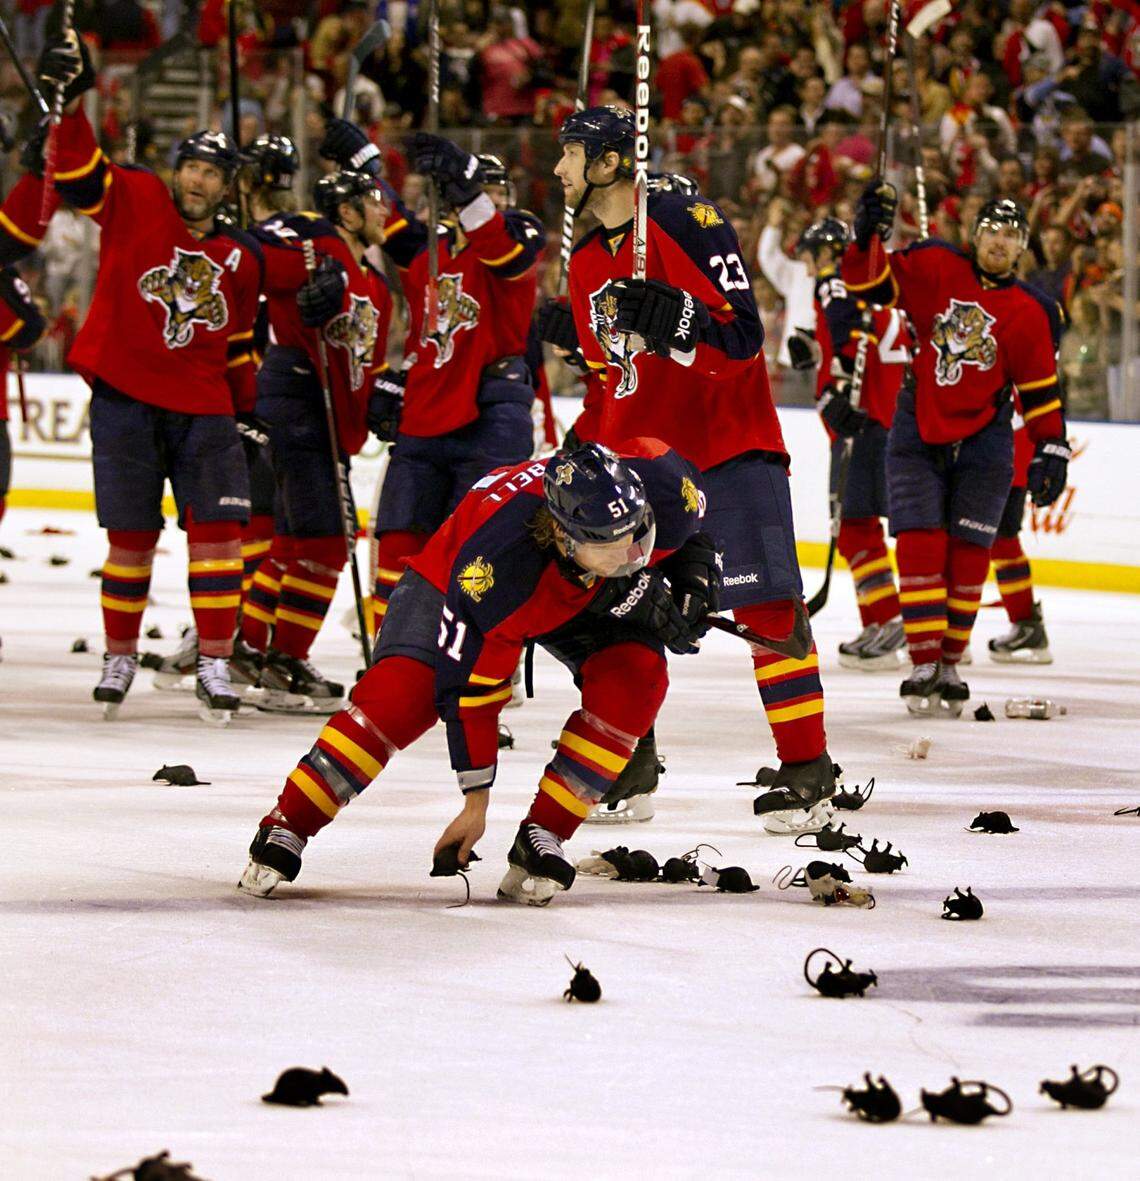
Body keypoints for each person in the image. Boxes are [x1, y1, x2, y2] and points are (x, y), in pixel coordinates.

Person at [238, 440, 716, 905]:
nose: (632, 555)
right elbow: (473, 694)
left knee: (638, 678)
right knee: (397, 699)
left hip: (580, 592)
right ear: (564, 537)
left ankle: (545, 833)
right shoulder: (493, 573)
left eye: (639, 535)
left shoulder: (658, 482)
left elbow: (696, 530)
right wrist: (476, 804)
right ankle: (289, 823)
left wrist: (695, 577)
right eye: (611, 547)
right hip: (451, 585)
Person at [538, 105, 837, 829]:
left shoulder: (681, 215)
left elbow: (739, 338)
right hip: (640, 464)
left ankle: (807, 769)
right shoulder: (582, 261)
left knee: (769, 607)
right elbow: (616, 379)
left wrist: (679, 319)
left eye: (571, 155)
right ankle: (630, 764)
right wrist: (584, 442)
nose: (558, 170)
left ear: (608, 163)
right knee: (615, 615)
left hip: (727, 445)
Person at [39, 33, 263, 723]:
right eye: (191, 168)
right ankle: (121, 653)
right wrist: (72, 100)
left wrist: (250, 413)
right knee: (130, 538)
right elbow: (76, 170)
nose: (197, 180)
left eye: (211, 174)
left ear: (227, 188)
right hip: (127, 400)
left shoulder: (240, 257)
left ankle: (217, 662)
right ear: (176, 171)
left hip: (205, 411)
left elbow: (239, 352)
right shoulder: (134, 196)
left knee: (219, 537)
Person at [843, 187, 1069, 714]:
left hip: (987, 438)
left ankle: (949, 660)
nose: (999, 241)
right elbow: (867, 282)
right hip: (916, 424)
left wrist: (1051, 445)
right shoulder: (934, 263)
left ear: (1022, 247)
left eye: (1011, 234)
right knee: (920, 542)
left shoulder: (1034, 310)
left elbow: (1039, 392)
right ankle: (923, 660)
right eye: (992, 229)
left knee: (970, 554)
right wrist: (867, 236)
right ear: (975, 234)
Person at [318, 119, 543, 637]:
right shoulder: (429, 253)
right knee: (398, 541)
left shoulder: (515, 236)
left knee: (480, 550)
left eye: (492, 190)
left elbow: (504, 251)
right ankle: (394, 659)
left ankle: (481, 668)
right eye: (473, 190)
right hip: (424, 417)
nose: (487, 200)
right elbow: (388, 219)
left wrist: (466, 187)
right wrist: (367, 163)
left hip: (490, 416)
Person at [234, 156, 393, 711]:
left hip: (327, 419)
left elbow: (365, 363)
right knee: (327, 545)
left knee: (293, 544)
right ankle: (281, 662)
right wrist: (301, 283)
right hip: (295, 397)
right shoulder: (315, 241)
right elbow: (250, 253)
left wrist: (379, 404)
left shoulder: (376, 281)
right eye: (374, 203)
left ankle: (247, 648)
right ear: (348, 211)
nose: (384, 211)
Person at [799, 217, 907, 670]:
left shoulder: (833, 286)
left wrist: (834, 387)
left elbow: (848, 340)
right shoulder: (877, 293)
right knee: (860, 527)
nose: (807, 264)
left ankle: (887, 621)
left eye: (810, 253)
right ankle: (884, 620)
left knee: (857, 527)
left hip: (861, 424)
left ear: (826, 253)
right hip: (889, 420)